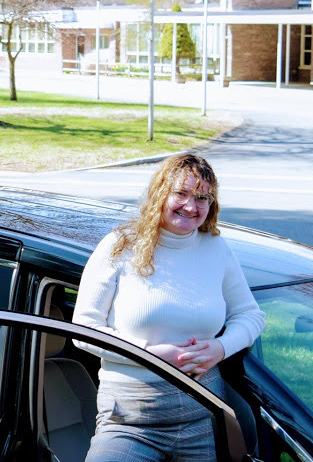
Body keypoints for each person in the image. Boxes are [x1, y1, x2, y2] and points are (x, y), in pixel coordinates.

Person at [72, 153, 265, 461]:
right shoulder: (120, 245)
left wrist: (221, 348)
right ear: (161, 192)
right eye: (182, 193)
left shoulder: (216, 248)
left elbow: (251, 315)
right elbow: (83, 329)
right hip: (131, 419)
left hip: (203, 414)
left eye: (202, 198)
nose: (192, 206)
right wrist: (146, 353)